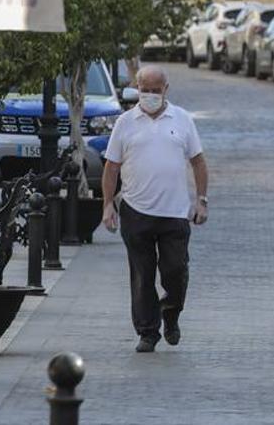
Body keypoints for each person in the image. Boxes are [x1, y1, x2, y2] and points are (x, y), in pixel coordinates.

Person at [100, 65, 208, 353]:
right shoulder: (125, 122)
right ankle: (148, 332)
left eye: (155, 91)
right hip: (136, 211)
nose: (149, 95)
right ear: (137, 88)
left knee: (175, 271)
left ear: (166, 90)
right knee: (142, 274)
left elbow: (198, 162)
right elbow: (111, 167)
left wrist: (201, 200)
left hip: (174, 213)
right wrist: (108, 205)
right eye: (144, 90)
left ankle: (170, 313)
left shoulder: (182, 120)